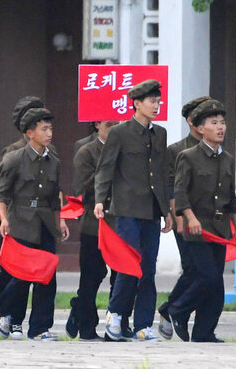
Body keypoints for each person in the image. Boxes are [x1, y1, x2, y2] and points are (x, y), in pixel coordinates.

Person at [94, 80, 172, 342]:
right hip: (126, 208)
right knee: (129, 265)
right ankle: (115, 314)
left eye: (158, 101)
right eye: (151, 101)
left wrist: (167, 210)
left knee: (148, 268)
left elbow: (161, 174)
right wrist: (100, 200)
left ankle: (143, 325)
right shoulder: (120, 132)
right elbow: (105, 168)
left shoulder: (159, 133)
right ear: (136, 103)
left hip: (152, 210)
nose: (156, 106)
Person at [169, 99, 236, 342]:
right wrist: (189, 217)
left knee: (216, 285)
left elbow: (230, 196)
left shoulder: (229, 159)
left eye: (223, 122)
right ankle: (177, 309)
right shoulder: (188, 156)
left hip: (219, 228)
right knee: (207, 277)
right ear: (200, 128)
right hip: (197, 228)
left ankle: (204, 332)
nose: (220, 127)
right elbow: (180, 192)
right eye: (214, 123)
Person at [0, 108, 68, 341]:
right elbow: (1, 192)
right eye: (44, 129)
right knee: (22, 275)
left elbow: (55, 196)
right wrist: (4, 219)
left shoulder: (53, 161)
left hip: (45, 221)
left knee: (47, 275)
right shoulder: (14, 159)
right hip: (21, 220)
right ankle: (2, 307)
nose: (49, 133)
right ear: (30, 132)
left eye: (50, 128)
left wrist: (60, 222)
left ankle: (40, 328)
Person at [0, 96, 46, 335]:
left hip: (40, 221)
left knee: (29, 274)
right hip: (17, 220)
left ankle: (15, 320)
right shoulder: (13, 152)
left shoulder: (49, 151)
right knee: (11, 273)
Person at [157, 95, 210, 340]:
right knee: (195, 269)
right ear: (192, 121)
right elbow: (170, 185)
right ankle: (175, 311)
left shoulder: (216, 149)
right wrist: (177, 216)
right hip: (186, 219)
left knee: (202, 272)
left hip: (211, 220)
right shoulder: (177, 150)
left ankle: (171, 310)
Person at [65, 120, 125, 341]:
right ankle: (87, 326)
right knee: (92, 275)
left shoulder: (126, 148)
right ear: (97, 124)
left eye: (117, 124)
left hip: (121, 221)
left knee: (121, 277)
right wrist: (108, 169)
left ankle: (117, 325)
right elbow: (81, 188)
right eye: (109, 124)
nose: (114, 129)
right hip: (95, 221)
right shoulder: (87, 151)